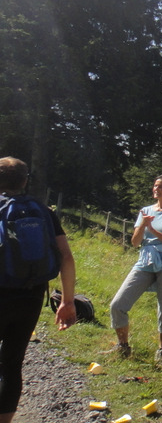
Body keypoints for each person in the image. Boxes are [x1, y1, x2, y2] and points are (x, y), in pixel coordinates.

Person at [0, 157, 77, 423]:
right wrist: (67, 301)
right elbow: (66, 257)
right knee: (12, 364)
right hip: (31, 296)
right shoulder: (44, 211)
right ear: (25, 180)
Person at [108, 174, 162, 365]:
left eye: (160, 186)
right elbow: (135, 242)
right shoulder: (145, 211)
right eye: (154, 186)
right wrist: (143, 224)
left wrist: (152, 229)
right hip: (146, 260)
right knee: (117, 304)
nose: (155, 189)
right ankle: (123, 346)